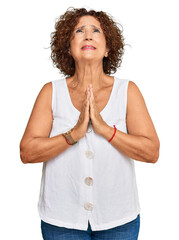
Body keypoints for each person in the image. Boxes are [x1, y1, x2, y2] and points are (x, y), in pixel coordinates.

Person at [19, 7, 160, 240]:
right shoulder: (50, 92)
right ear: (68, 47)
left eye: (96, 30)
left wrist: (105, 129)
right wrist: (74, 134)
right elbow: (27, 152)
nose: (88, 35)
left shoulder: (128, 91)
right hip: (61, 221)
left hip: (119, 221)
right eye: (79, 30)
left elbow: (151, 152)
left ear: (108, 49)